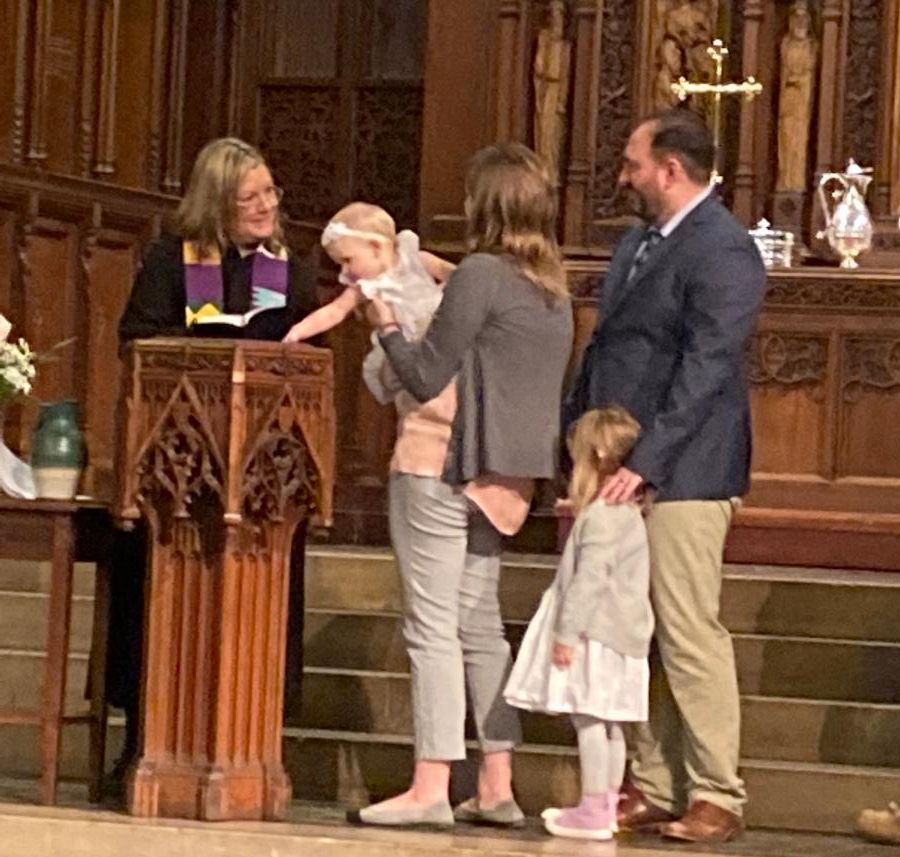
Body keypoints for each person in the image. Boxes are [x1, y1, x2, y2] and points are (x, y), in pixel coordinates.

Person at [351, 143, 573, 828]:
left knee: (431, 627)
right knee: (479, 626)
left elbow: (424, 376)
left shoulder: (481, 273)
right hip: (506, 476)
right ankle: (497, 783)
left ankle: (430, 785)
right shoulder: (550, 286)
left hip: (441, 463)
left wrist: (387, 324)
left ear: (486, 204)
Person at [563, 108, 766, 843]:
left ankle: (716, 790)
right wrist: (579, 441)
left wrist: (649, 461)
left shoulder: (724, 249)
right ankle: (654, 782)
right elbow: (609, 347)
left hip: (688, 470)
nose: (624, 176)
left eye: (633, 163)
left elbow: (707, 367)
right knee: (633, 630)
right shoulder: (638, 241)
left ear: (671, 170)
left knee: (686, 630)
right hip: (618, 465)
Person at [108, 136, 320, 786]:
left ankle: (254, 749)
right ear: (217, 202)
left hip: (260, 477)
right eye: (249, 197)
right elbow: (135, 338)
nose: (266, 206)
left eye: (269, 192)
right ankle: (146, 744)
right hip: (180, 470)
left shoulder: (288, 268)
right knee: (157, 612)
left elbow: (307, 348)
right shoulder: (172, 260)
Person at [504, 407, 653, 841]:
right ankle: (606, 804)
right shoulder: (627, 512)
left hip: (596, 633)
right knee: (611, 722)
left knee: (588, 719)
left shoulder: (604, 514)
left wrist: (567, 634)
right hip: (621, 634)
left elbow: (590, 579)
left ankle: (593, 808)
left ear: (597, 455)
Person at [282, 201, 455, 403]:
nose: (344, 271)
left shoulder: (417, 260)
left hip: (436, 333)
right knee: (405, 391)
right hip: (402, 346)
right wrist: (298, 331)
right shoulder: (366, 286)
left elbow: (457, 275)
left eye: (347, 260)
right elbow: (335, 311)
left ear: (375, 247)